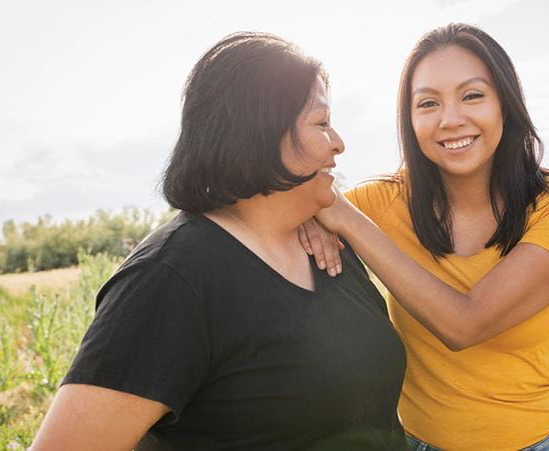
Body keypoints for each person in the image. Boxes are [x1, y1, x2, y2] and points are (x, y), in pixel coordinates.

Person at [30, 32, 408, 450]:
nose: (338, 142)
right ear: (259, 132)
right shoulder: (170, 278)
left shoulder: (326, 247)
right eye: (321, 123)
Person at [299, 23, 549, 450]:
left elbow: (465, 324)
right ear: (410, 119)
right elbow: (286, 206)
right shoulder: (384, 201)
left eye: (472, 96)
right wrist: (309, 214)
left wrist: (343, 220)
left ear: (505, 105)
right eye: (428, 103)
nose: (451, 120)